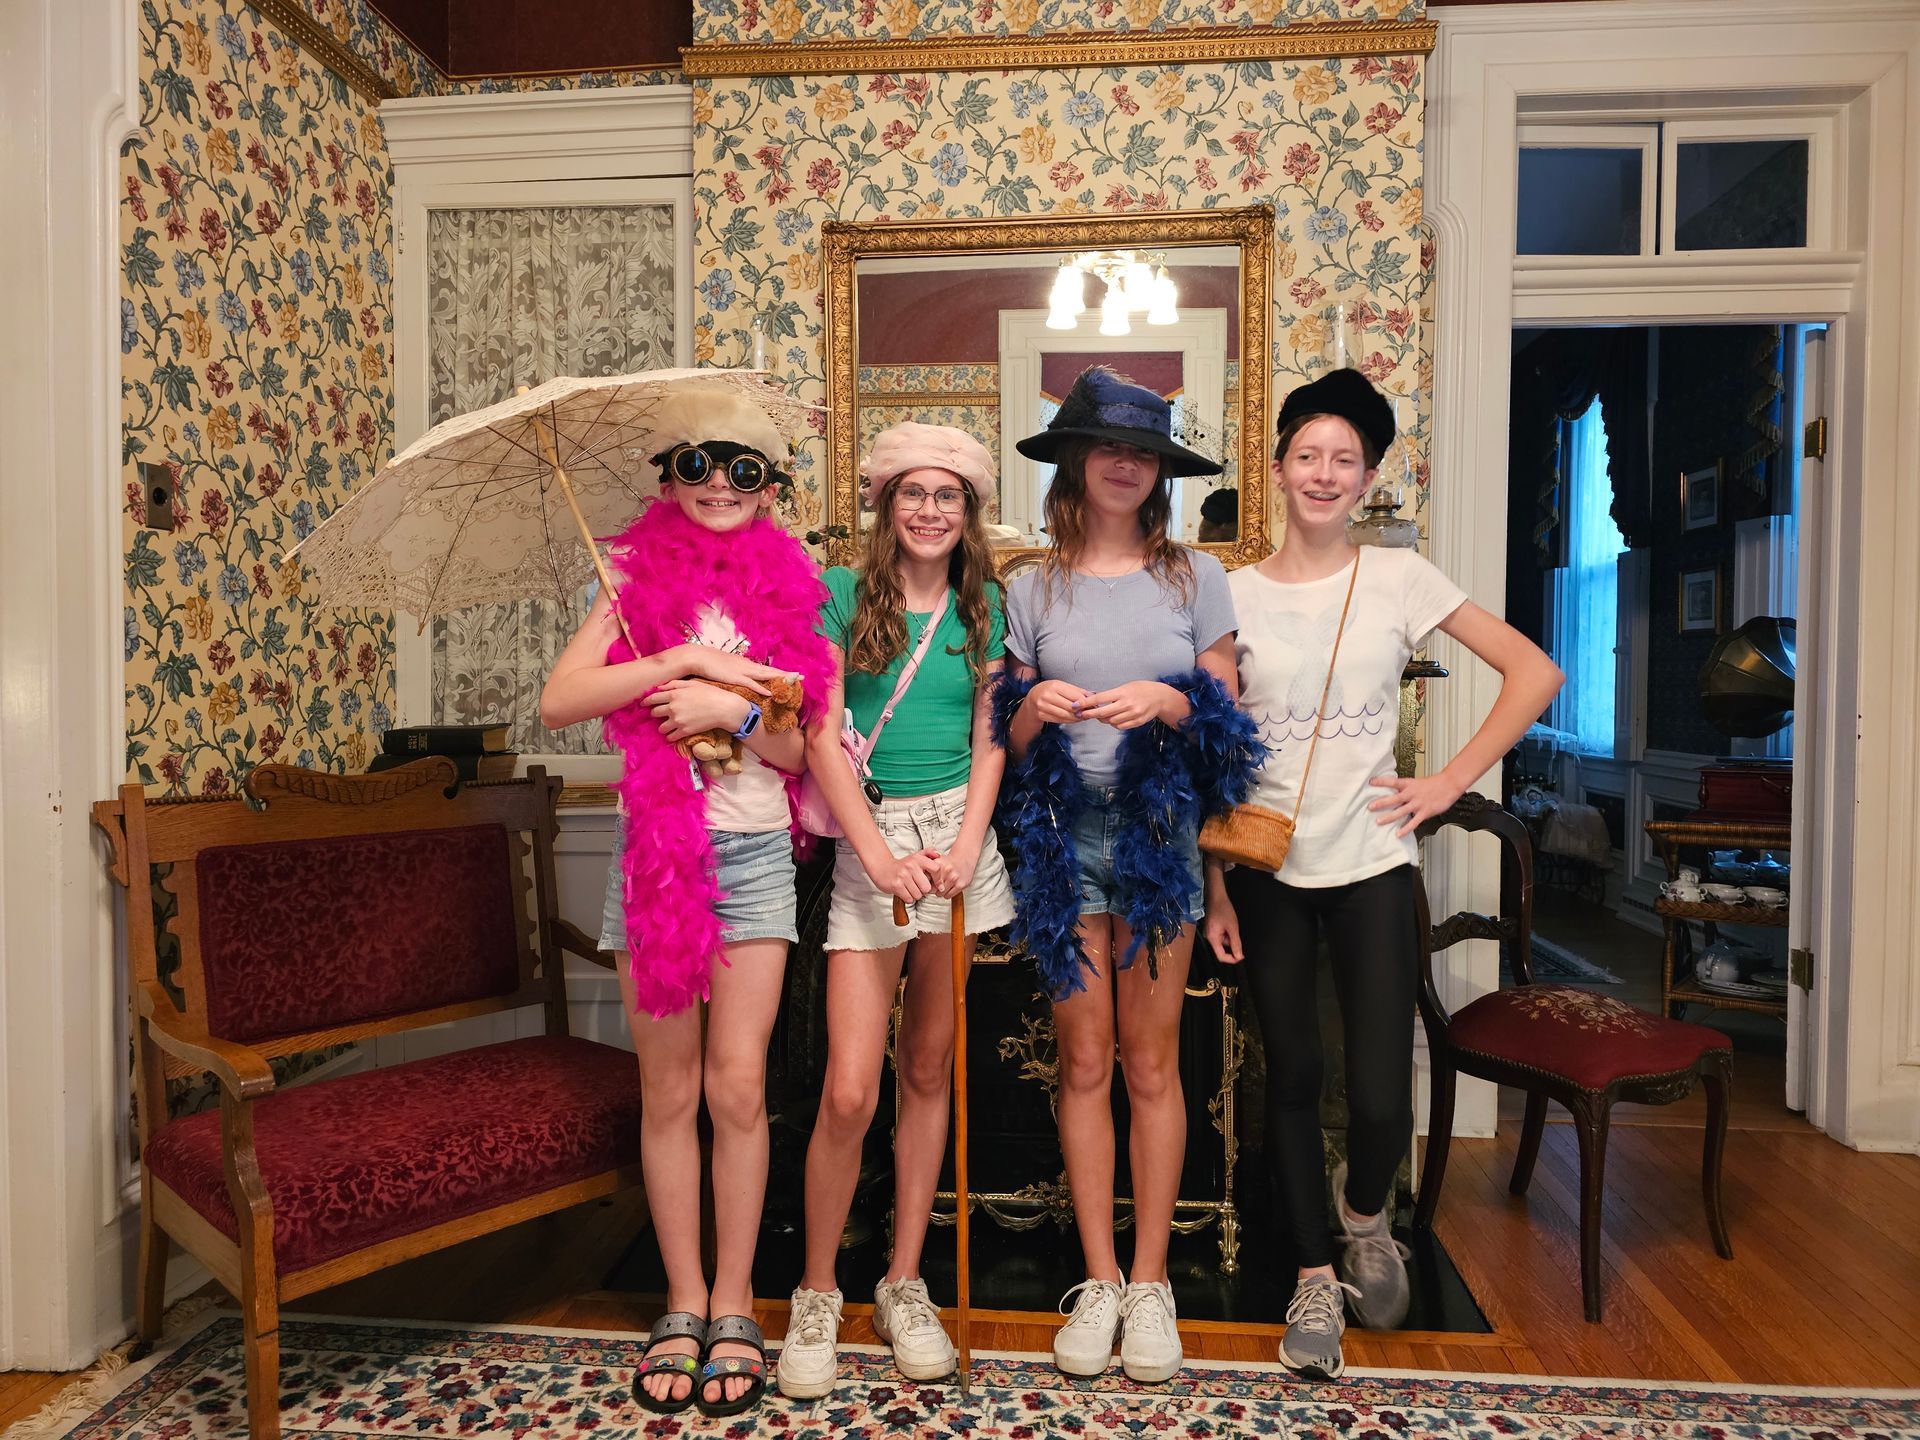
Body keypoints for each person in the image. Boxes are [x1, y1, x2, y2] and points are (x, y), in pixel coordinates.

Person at [1202, 367, 1563, 1380]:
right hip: (1266, 869)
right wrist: (1216, 884)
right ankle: (1315, 1274)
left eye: (1345, 460)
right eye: (1307, 455)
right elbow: (1214, 753)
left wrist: (1447, 781)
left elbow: (1535, 671)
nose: (1324, 474)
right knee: (1290, 1076)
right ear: (1278, 468)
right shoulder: (1228, 594)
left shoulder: (1401, 577)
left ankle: (1365, 1217)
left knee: (1375, 1095)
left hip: (1371, 863)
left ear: (1366, 479)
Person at [539, 386, 837, 1421]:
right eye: (697, 464)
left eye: (742, 469)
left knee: (737, 1089)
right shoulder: (627, 582)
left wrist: (729, 709)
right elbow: (559, 701)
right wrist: (677, 661)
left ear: (770, 489)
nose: (718, 484)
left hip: (753, 855)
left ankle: (735, 1302)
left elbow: (802, 752)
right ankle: (680, 1301)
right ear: (669, 479)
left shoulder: (795, 589)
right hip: (654, 857)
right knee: (666, 1092)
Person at [993, 368, 1262, 1385]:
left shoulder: (1196, 577)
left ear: (1160, 472)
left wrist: (1169, 698)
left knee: (1152, 1065)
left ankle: (1151, 1283)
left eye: (1143, 452)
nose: (1124, 464)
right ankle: (1098, 1280)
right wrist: (1033, 709)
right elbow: (1010, 743)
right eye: (1107, 446)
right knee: (1083, 1062)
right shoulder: (1030, 586)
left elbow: (1225, 730)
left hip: (1160, 837)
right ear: (1074, 461)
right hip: (1059, 847)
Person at [778, 422, 1017, 1397]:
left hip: (958, 840)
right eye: (912, 492)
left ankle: (903, 1281)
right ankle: (817, 1290)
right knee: (849, 1089)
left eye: (947, 494)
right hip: (870, 839)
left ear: (970, 509)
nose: (929, 509)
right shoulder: (837, 593)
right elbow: (819, 734)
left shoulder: (987, 604)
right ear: (885, 503)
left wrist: (965, 848)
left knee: (926, 1068)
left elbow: (993, 735)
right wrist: (877, 859)